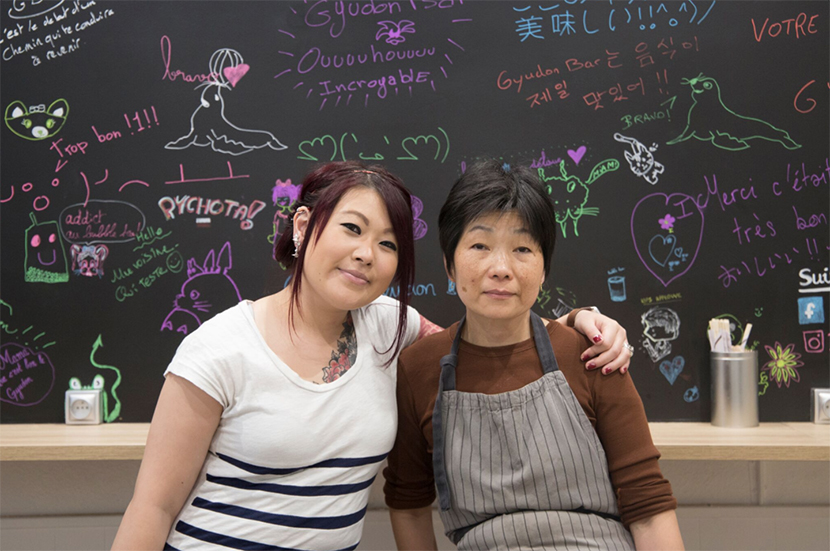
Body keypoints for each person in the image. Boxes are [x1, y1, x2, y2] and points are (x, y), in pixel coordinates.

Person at [112, 161, 631, 551]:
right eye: (352, 229)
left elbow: (493, 328)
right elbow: (153, 507)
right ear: (302, 227)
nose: (367, 253)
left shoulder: (392, 326)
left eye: (388, 244)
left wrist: (576, 322)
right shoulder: (220, 347)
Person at [384, 160, 683, 550]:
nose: (501, 268)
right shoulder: (419, 368)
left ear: (544, 270)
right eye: (479, 246)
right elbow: (408, 505)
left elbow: (648, 506)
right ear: (449, 265)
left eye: (522, 248)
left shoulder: (592, 354)